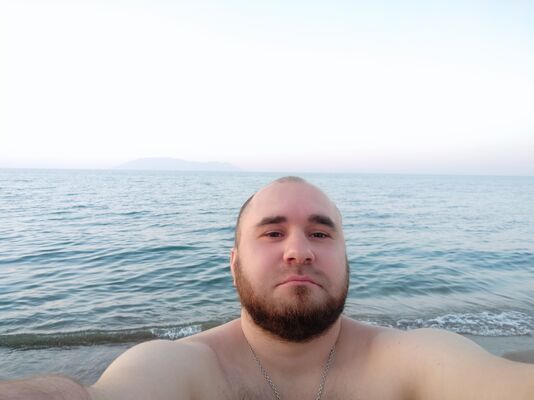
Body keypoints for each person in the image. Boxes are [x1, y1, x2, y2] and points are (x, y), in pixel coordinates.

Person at [1, 176, 533, 400]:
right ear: (234, 265)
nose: (299, 250)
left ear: (345, 259)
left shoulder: (411, 359)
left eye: (320, 233)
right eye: (272, 233)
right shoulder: (184, 367)